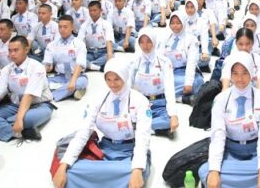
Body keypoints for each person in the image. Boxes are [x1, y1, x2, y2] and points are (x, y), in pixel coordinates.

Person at [52, 57, 151, 188]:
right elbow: (83, 132)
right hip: (105, 149)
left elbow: (143, 137)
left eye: (117, 79)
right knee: (70, 172)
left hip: (130, 151)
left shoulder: (139, 101)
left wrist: (137, 169)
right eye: (108, 79)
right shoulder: (98, 99)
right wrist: (64, 164)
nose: (112, 84)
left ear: (125, 77)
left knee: (131, 174)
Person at [198, 52, 260, 188]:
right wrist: (214, 170)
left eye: (244, 73)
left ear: (251, 73)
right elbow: (218, 136)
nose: (239, 78)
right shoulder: (221, 100)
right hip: (230, 151)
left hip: (254, 150)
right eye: (235, 73)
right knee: (205, 171)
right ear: (230, 75)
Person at [0, 36, 53, 142]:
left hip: (39, 105)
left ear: (26, 50)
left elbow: (29, 95)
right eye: (10, 51)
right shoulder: (7, 69)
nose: (12, 54)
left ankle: (5, 128)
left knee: (24, 119)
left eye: (16, 50)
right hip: (15, 105)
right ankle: (20, 133)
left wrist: (19, 119)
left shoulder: (37, 67)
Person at [130, 29, 178, 136]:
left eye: (148, 41)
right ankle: (154, 129)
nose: (145, 45)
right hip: (141, 103)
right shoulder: (134, 62)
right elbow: (128, 88)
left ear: (154, 42)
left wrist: (173, 115)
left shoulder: (164, 62)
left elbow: (169, 88)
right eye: (141, 42)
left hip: (159, 103)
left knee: (168, 122)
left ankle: (141, 127)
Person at [160, 11, 203, 102]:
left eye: (178, 23)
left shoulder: (191, 39)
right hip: (169, 72)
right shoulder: (165, 38)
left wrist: (188, 83)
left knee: (197, 83)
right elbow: (158, 58)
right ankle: (181, 98)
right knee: (157, 81)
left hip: (184, 73)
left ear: (183, 23)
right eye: (172, 23)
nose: (175, 26)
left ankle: (163, 95)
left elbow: (191, 62)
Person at [43, 16, 88, 101]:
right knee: (42, 83)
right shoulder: (52, 44)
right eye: (60, 27)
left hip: (76, 76)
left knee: (80, 82)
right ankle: (72, 91)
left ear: (72, 28)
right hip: (60, 76)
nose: (62, 29)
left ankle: (51, 96)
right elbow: (47, 65)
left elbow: (80, 65)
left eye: (65, 27)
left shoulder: (79, 43)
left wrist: (73, 81)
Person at [78, 1, 114, 72]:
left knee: (111, 57)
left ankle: (88, 66)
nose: (92, 13)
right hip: (90, 52)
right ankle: (98, 68)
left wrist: (109, 55)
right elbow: (79, 41)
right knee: (78, 59)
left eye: (94, 10)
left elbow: (109, 41)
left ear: (100, 11)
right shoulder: (84, 25)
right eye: (90, 11)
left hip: (103, 52)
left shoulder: (106, 24)